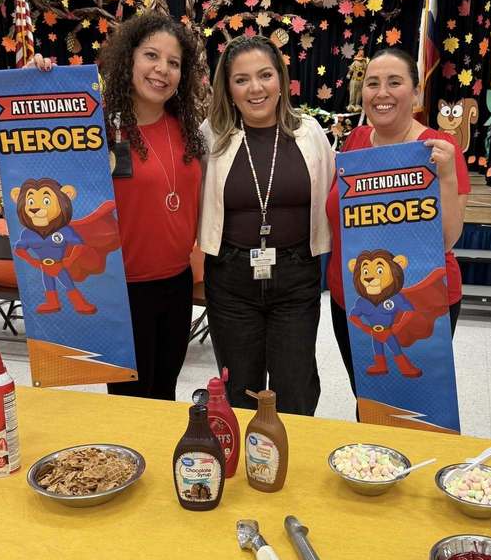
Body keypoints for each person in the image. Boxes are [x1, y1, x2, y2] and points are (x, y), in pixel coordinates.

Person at [29, 11, 207, 399]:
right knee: (132, 401)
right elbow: (41, 159)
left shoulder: (189, 129)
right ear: (128, 59)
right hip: (122, 291)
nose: (162, 70)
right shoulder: (96, 128)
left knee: (166, 393)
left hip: (176, 285)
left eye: (174, 63)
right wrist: (32, 82)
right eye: (151, 56)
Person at [198, 34, 335, 415]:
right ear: (227, 87)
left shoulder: (309, 133)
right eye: (241, 79)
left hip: (295, 274)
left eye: (265, 75)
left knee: (296, 384)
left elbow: (343, 191)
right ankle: (246, 463)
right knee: (239, 385)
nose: (255, 88)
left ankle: (291, 462)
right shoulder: (211, 136)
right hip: (231, 277)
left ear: (281, 79)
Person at [325, 47, 470, 398]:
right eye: (372, 83)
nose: (382, 93)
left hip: (420, 303)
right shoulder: (355, 142)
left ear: (416, 92)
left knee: (414, 407)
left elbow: (447, 239)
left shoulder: (440, 149)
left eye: (394, 82)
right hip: (352, 302)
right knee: (369, 400)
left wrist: (447, 175)